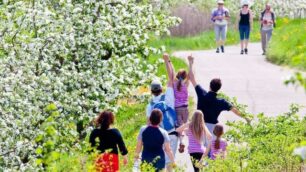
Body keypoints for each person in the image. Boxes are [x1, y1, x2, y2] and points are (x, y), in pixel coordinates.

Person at [187, 55, 249, 137]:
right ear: (219, 89)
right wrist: (246, 118)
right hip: (212, 129)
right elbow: (235, 110)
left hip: (199, 126)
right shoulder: (221, 102)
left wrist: (191, 63)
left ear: (209, 86)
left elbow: (191, 77)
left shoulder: (202, 93)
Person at [146, 53, 178, 171]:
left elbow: (148, 124)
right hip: (172, 134)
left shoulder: (150, 106)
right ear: (161, 89)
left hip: (158, 136)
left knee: (159, 165)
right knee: (169, 164)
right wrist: (167, 60)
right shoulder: (168, 97)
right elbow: (171, 77)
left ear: (151, 91)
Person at [172, 68, 189, 153]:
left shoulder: (174, 84)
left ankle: (181, 142)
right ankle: (183, 140)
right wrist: (190, 63)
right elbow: (190, 75)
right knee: (184, 126)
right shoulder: (186, 84)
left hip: (177, 108)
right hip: (185, 108)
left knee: (179, 126)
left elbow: (172, 74)